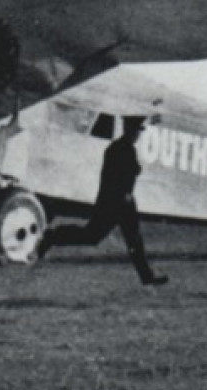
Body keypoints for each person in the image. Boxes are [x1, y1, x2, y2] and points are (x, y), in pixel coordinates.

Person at [37, 115, 168, 286]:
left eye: (138, 131)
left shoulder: (119, 148)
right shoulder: (123, 149)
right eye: (136, 131)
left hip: (117, 202)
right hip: (117, 203)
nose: (138, 135)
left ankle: (146, 277)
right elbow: (120, 176)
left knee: (126, 239)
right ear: (129, 130)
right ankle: (52, 236)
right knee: (95, 237)